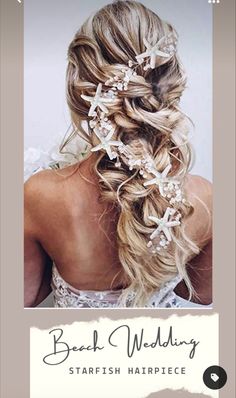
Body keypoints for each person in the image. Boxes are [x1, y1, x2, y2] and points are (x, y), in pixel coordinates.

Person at [24, 0, 212, 308]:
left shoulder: (39, 195)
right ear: (171, 84)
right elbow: (201, 294)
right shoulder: (204, 198)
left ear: (78, 90)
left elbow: (24, 299)